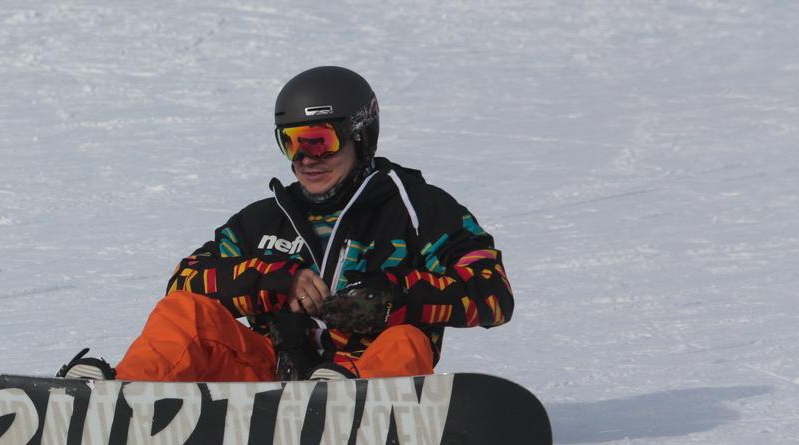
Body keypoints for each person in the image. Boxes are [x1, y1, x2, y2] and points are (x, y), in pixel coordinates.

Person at [59, 66, 512, 383]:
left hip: (368, 382)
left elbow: (494, 293)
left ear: (360, 135)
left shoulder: (418, 209)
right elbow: (185, 283)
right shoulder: (263, 219)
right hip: (267, 379)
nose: (307, 159)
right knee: (184, 313)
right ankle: (121, 399)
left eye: (319, 141)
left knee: (406, 340)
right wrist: (275, 280)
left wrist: (393, 296)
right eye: (292, 143)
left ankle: (342, 405)